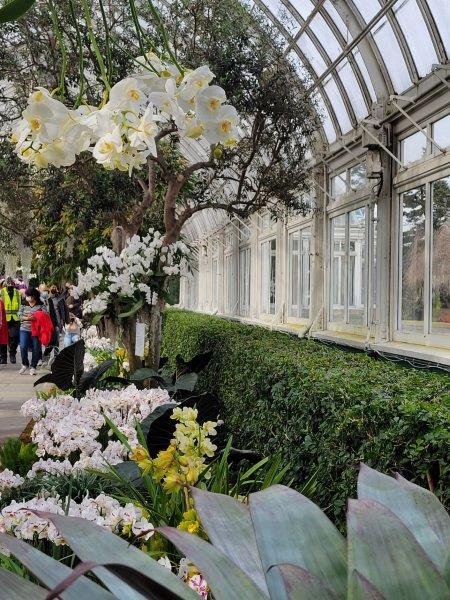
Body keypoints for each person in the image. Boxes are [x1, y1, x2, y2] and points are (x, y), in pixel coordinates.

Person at [18, 288, 46, 376]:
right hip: (24, 328)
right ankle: (25, 364)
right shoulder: (24, 304)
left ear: (34, 296)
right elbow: (19, 314)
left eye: (29, 296)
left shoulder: (41, 305)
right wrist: (26, 318)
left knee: (36, 348)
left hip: (37, 330)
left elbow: (46, 315)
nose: (27, 297)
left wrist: (36, 317)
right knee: (23, 346)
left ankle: (33, 366)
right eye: (27, 295)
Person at [0, 276, 21, 364]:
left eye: (11, 282)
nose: (9, 283)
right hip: (4, 318)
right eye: (8, 282)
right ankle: (3, 357)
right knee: (3, 338)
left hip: (15, 318)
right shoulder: (2, 292)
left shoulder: (17, 292)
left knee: (14, 337)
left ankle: (12, 353)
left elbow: (20, 305)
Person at [0, 296, 8, 365]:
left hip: (1, 326)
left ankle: (3, 358)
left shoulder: (0, 303)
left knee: (2, 342)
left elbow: (1, 317)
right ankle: (3, 358)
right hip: (2, 325)